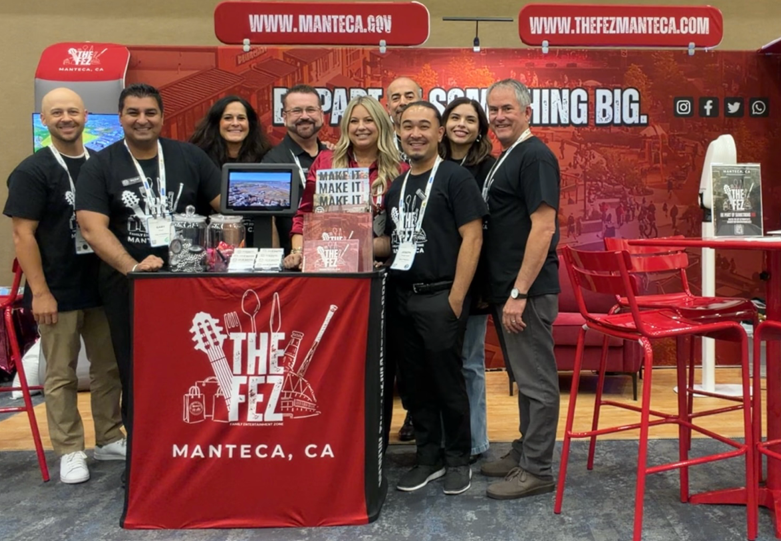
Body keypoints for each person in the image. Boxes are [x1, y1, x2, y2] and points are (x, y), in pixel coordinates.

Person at [75, 83, 222, 452]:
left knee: (191, 364)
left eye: (150, 113)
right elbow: (92, 228)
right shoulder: (100, 165)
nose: (142, 120)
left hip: (189, 284)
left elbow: (228, 205)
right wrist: (134, 266)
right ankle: (145, 451)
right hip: (129, 285)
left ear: (162, 116)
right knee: (137, 368)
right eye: (133, 113)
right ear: (120, 117)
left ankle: (193, 442)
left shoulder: (189, 157)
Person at [4, 88, 125, 484]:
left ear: (85, 115)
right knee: (61, 374)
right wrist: (40, 292)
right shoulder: (32, 171)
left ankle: (109, 437)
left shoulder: (101, 164)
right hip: (56, 290)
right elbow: (22, 235)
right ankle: (70, 449)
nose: (66, 118)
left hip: (102, 287)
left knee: (109, 368)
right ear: (44, 120)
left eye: (72, 111)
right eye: (56, 112)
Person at [376, 101, 486, 495]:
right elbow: (393, 241)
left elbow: (473, 237)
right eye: (408, 126)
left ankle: (457, 458)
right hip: (402, 296)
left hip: (442, 296)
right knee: (415, 384)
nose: (415, 133)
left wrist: (456, 297)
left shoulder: (456, 178)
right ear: (398, 133)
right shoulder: (397, 185)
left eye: (424, 126)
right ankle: (428, 457)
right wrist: (341, 236)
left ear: (440, 133)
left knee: (447, 382)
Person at [479, 79, 561, 500]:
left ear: (527, 112)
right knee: (525, 381)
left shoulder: (535, 156)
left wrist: (519, 292)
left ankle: (538, 469)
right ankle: (525, 451)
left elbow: (543, 227)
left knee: (538, 383)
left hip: (526, 293)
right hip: (508, 291)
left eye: (507, 109)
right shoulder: (507, 156)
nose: (499, 117)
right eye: (493, 110)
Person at [284, 95, 406, 269]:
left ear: (381, 124)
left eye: (369, 120)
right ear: (346, 127)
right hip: (326, 264)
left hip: (379, 267)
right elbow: (304, 215)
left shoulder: (400, 170)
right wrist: (297, 251)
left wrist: (367, 251)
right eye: (354, 121)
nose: (361, 127)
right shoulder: (325, 162)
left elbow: (402, 231)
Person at [441, 97, 496, 462]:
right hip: (433, 278)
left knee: (470, 362)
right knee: (439, 365)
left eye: (470, 120)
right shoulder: (428, 162)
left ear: (480, 130)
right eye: (455, 117)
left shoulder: (489, 168)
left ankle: (475, 441)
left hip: (474, 280)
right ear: (443, 124)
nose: (461, 124)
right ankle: (444, 440)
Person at [385, 76, 423, 442]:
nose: (401, 102)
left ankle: (415, 415)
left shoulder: (427, 142)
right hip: (382, 259)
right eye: (395, 97)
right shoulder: (379, 142)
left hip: (419, 263)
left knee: (417, 353)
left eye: (408, 95)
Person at [190, 95, 271, 245]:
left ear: (250, 123)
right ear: (216, 122)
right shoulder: (198, 157)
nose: (235, 123)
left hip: (256, 239)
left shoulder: (266, 156)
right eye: (228, 118)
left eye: (241, 118)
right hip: (207, 242)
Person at [262, 85, 328, 254]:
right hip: (291, 259)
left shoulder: (334, 157)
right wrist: (275, 263)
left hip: (334, 255)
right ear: (284, 117)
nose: (305, 116)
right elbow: (269, 220)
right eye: (296, 111)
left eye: (311, 110)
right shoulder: (274, 163)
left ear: (321, 115)